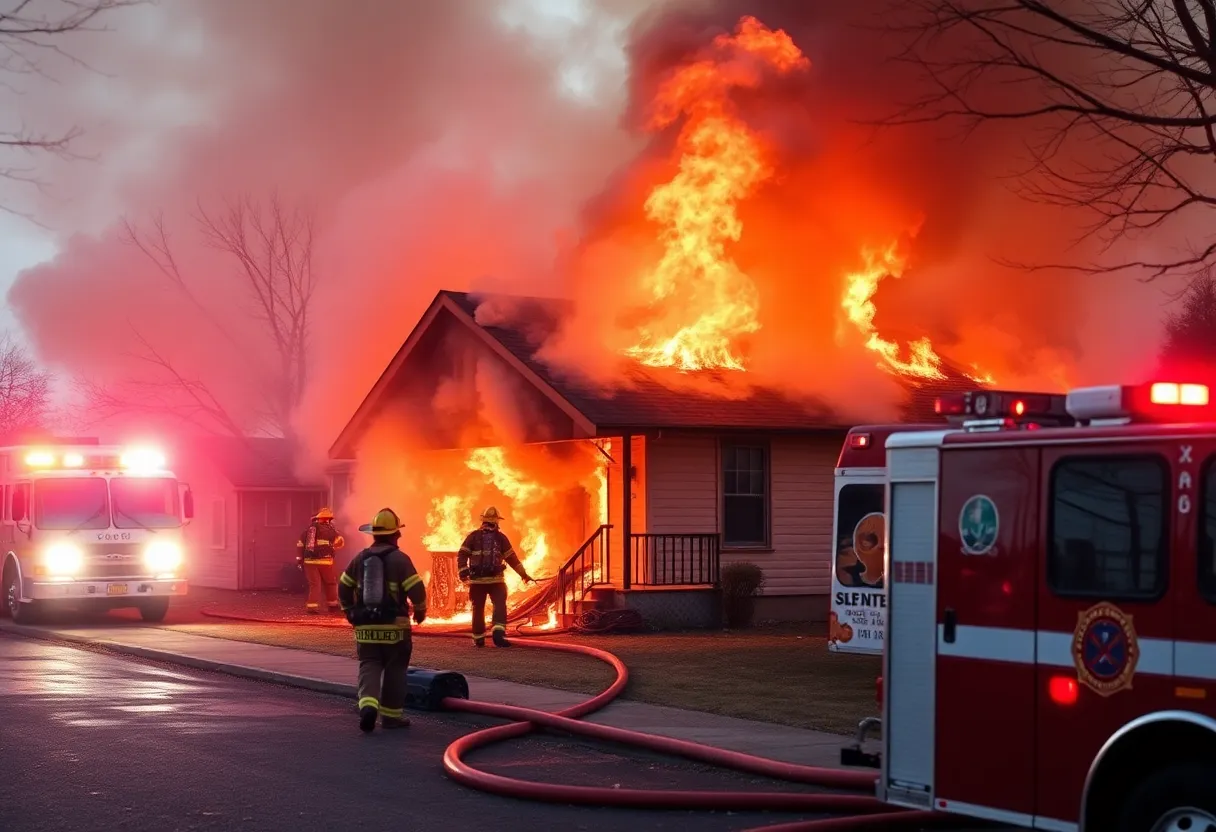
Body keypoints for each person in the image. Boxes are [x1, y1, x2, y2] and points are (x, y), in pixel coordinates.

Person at [337, 507, 427, 733]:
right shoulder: (400, 559)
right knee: (396, 669)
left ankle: (367, 706)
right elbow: (416, 589)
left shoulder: (360, 558)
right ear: (395, 534)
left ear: (374, 534)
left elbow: (343, 587)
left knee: (369, 664)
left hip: (365, 626)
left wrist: (349, 610)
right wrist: (420, 609)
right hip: (395, 627)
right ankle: (391, 718)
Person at [458, 506, 534, 648]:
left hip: (477, 582)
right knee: (499, 606)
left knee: (478, 608)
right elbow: (512, 559)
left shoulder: (473, 537)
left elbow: (462, 554)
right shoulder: (500, 538)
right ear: (497, 522)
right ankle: (498, 636)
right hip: (496, 582)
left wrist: (463, 573)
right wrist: (523, 575)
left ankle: (478, 639)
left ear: (483, 521)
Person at [296, 507, 346, 614]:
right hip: (326, 561)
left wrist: (299, 560)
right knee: (331, 583)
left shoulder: (308, 531)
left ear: (316, 519)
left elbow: (300, 545)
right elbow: (340, 542)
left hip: (309, 562)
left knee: (315, 584)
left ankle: (312, 607)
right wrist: (331, 547)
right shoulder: (331, 531)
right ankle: (332, 605)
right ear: (328, 519)